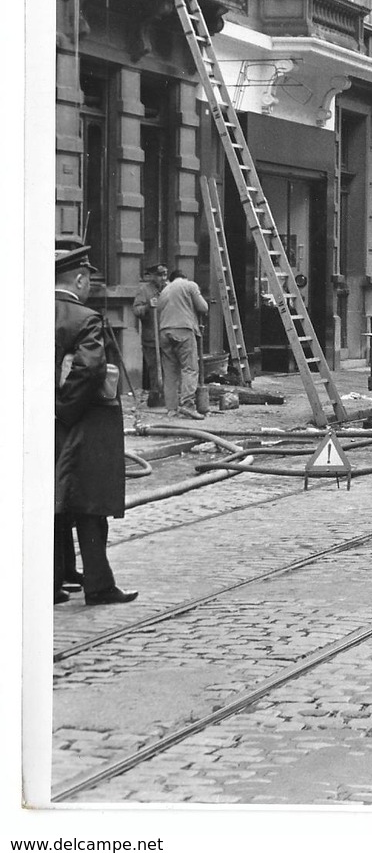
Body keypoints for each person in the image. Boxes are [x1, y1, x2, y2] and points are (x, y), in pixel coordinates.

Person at [55, 240, 137, 606]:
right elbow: (90, 369)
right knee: (90, 506)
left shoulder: (26, 311)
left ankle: (54, 580)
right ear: (78, 281)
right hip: (82, 424)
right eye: (87, 278)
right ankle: (98, 586)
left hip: (42, 425)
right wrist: (65, 409)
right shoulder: (86, 318)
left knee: (53, 504)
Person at [155, 268, 209, 420]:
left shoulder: (164, 291)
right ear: (184, 277)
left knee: (170, 372)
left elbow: (159, 310)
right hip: (183, 330)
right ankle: (187, 405)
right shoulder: (189, 285)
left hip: (164, 332)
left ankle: (171, 409)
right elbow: (203, 307)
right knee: (189, 368)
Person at [131, 263, 168, 407]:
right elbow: (136, 310)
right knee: (154, 369)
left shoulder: (169, 289)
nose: (163, 278)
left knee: (168, 368)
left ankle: (168, 398)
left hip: (167, 337)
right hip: (151, 338)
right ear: (152, 276)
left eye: (165, 274)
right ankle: (155, 398)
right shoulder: (144, 290)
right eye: (159, 275)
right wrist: (147, 307)